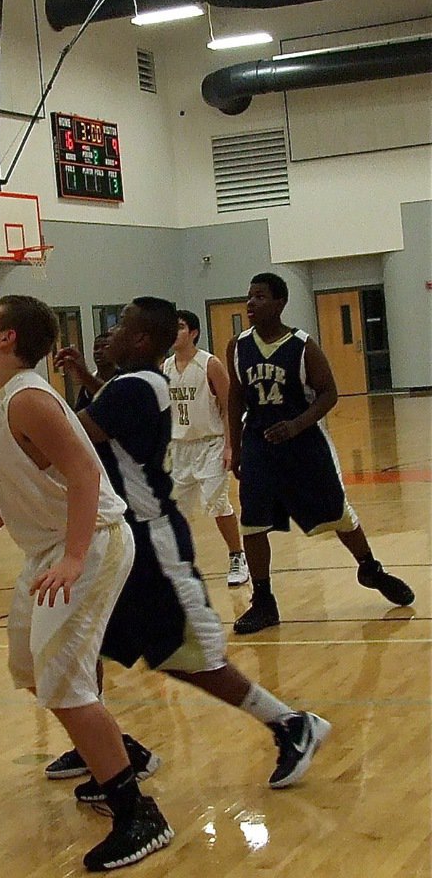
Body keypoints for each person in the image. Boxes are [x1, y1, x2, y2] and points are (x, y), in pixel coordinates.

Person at [0, 295, 172, 873]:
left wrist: (75, 555)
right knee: (35, 669)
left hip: (92, 545)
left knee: (61, 679)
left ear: (8, 337)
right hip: (49, 550)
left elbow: (87, 474)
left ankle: (137, 813)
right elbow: (9, 487)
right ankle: (120, 751)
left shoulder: (30, 399)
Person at [73, 296, 330, 792]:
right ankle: (110, 749)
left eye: (121, 326)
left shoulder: (132, 387)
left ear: (143, 339)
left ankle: (290, 724)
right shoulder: (135, 382)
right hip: (122, 538)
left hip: (152, 542)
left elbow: (68, 437)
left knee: (191, 657)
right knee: (88, 644)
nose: (111, 333)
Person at [226, 272, 415, 634]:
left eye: (260, 297)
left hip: (303, 445)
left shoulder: (302, 345)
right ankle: (264, 601)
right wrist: (233, 444)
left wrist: (296, 425)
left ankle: (369, 568)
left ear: (280, 303)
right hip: (259, 444)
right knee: (253, 522)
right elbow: (236, 395)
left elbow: (329, 393)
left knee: (336, 513)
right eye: (249, 296)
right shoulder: (238, 346)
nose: (251, 303)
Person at [164, 310, 248, 587]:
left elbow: (229, 407)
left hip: (210, 444)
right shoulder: (165, 367)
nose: (174, 332)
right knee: (176, 509)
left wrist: (230, 446)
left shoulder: (209, 364)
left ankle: (237, 556)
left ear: (194, 333)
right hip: (180, 447)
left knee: (216, 502)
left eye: (179, 327)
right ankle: (180, 562)